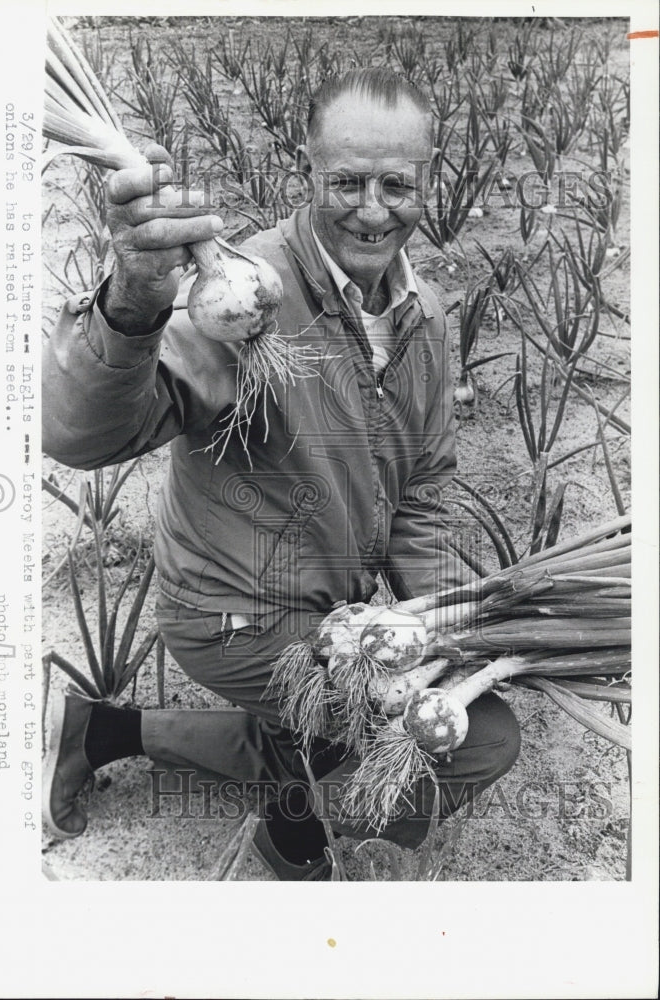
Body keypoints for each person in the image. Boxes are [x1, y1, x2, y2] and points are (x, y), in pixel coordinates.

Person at [42, 67, 520, 880]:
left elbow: (429, 483)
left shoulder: (423, 313)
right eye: (346, 181)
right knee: (483, 741)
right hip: (232, 615)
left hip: (325, 607)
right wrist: (132, 305)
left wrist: (435, 620)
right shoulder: (242, 299)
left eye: (396, 183)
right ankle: (295, 843)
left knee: (327, 719)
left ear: (427, 176)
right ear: (307, 169)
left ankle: (100, 731)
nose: (372, 208)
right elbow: (83, 435)